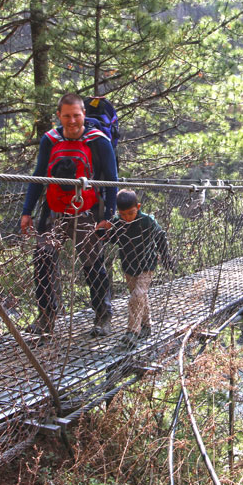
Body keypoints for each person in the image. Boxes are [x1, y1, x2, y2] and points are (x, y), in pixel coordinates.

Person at [20, 93, 118, 338]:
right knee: (43, 259)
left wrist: (109, 215)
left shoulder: (99, 141)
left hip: (87, 212)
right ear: (59, 116)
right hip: (54, 211)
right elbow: (38, 176)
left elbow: (112, 180)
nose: (72, 120)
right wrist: (26, 212)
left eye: (76, 115)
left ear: (83, 114)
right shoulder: (50, 140)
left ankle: (103, 316)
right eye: (67, 116)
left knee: (93, 265)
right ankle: (46, 317)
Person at [101, 189, 175, 349]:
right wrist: (102, 231)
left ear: (138, 207)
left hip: (147, 265)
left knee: (138, 295)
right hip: (129, 266)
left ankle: (132, 332)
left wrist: (166, 258)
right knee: (140, 297)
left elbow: (160, 236)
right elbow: (112, 239)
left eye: (131, 213)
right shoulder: (117, 221)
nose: (127, 217)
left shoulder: (147, 221)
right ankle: (147, 326)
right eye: (123, 214)